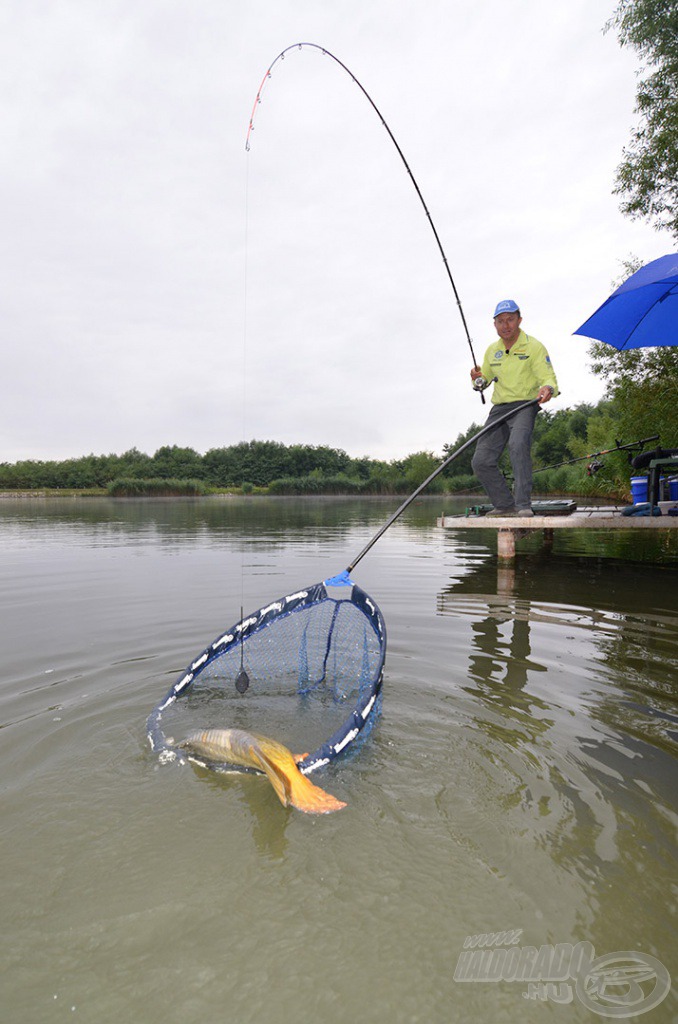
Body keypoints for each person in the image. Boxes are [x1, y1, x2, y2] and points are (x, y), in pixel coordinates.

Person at [470, 299, 559, 517]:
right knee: (480, 460)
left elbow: (548, 377)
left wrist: (548, 388)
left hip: (525, 405)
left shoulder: (534, 346)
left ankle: (522, 506)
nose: (505, 325)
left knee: (518, 444)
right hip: (499, 408)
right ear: (495, 325)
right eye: (500, 321)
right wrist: (477, 380)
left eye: (510, 319)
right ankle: (504, 505)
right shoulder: (492, 351)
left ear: (519, 320)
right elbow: (485, 379)